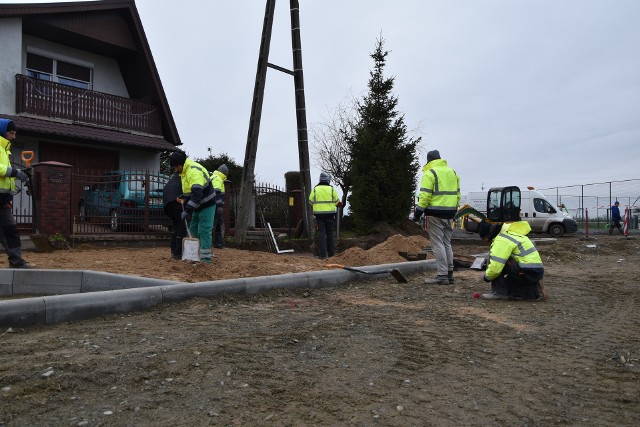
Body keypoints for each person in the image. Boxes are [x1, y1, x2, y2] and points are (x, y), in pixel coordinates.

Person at [412, 150, 460, 285]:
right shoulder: (453, 172)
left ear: (429, 161)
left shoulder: (430, 173)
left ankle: (442, 275)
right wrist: (453, 210)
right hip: (450, 213)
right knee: (446, 243)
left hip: (435, 214)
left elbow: (425, 196)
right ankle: (449, 273)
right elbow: (457, 195)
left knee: (437, 243)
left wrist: (417, 213)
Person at [478, 220, 546, 301]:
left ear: (489, 235)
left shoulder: (501, 239)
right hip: (536, 273)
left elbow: (495, 268)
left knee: (495, 259)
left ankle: (499, 293)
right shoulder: (514, 234)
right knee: (506, 260)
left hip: (525, 272)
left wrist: (486, 276)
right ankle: (533, 292)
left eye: (486, 240)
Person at [169, 151, 216, 263]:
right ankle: (194, 255)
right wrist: (184, 197)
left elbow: (197, 193)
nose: (174, 169)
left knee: (204, 230)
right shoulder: (184, 172)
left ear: (179, 164)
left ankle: (205, 259)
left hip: (207, 204)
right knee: (193, 229)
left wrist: (188, 210)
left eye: (175, 167)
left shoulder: (193, 172)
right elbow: (190, 190)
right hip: (198, 205)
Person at [0, 118, 32, 268]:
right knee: (8, 229)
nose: (14, 137)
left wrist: (20, 173)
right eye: (11, 133)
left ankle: (16, 262)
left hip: (2, 199)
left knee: (10, 230)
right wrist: (15, 172)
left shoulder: (5, 150)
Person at [308, 172, 340, 259]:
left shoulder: (315, 189)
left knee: (322, 234)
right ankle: (331, 254)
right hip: (330, 215)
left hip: (319, 215)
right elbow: (337, 202)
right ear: (328, 180)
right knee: (330, 234)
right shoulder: (332, 189)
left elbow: (310, 202)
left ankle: (323, 255)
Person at [162, 172, 187, 259]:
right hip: (177, 201)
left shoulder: (173, 178)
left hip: (167, 203)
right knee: (181, 226)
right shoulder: (184, 176)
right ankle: (178, 253)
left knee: (175, 225)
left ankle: (173, 250)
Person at [211, 164, 228, 248]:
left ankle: (217, 243)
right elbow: (216, 192)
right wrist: (219, 206)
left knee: (216, 224)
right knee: (217, 225)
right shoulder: (218, 179)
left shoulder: (212, 177)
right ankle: (217, 244)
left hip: (211, 205)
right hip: (215, 206)